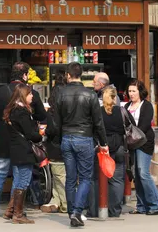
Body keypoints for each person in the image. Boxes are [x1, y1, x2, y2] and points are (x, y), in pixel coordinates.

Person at [0, 62, 47, 218]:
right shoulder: (30, 93)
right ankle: (16, 208)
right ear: (25, 75)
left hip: (3, 138)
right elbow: (42, 115)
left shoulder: (0, 91)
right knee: (19, 175)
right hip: (22, 142)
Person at [53, 62, 108, 228]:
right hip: (84, 138)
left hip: (67, 138)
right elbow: (98, 122)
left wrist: (59, 138)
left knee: (70, 178)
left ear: (68, 75)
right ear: (81, 75)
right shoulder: (90, 95)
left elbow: (56, 122)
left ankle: (72, 212)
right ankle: (77, 212)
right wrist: (103, 143)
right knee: (84, 177)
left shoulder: (60, 94)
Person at [4, 83, 43, 224]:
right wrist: (40, 135)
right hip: (23, 150)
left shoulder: (12, 110)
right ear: (23, 95)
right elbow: (30, 133)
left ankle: (11, 210)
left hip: (15, 149)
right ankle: (18, 214)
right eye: (30, 94)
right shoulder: (22, 112)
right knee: (24, 180)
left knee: (19, 178)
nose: (32, 96)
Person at [87, 87, 127, 218]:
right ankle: (114, 210)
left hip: (101, 149)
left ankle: (93, 209)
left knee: (95, 179)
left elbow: (93, 129)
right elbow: (131, 126)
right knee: (117, 180)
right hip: (119, 147)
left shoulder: (97, 112)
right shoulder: (121, 111)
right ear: (115, 98)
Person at [125, 79, 158, 215]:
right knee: (136, 174)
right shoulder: (126, 107)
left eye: (134, 91)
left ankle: (155, 205)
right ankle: (141, 205)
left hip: (144, 142)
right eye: (129, 91)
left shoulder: (146, 106)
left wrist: (132, 135)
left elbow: (145, 125)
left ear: (140, 91)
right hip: (131, 144)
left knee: (143, 172)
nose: (131, 94)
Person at [41, 70, 67, 214]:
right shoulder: (69, 110)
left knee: (59, 177)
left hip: (56, 148)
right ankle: (57, 202)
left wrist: (45, 131)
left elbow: (52, 130)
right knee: (62, 177)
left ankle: (65, 205)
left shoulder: (52, 112)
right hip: (69, 144)